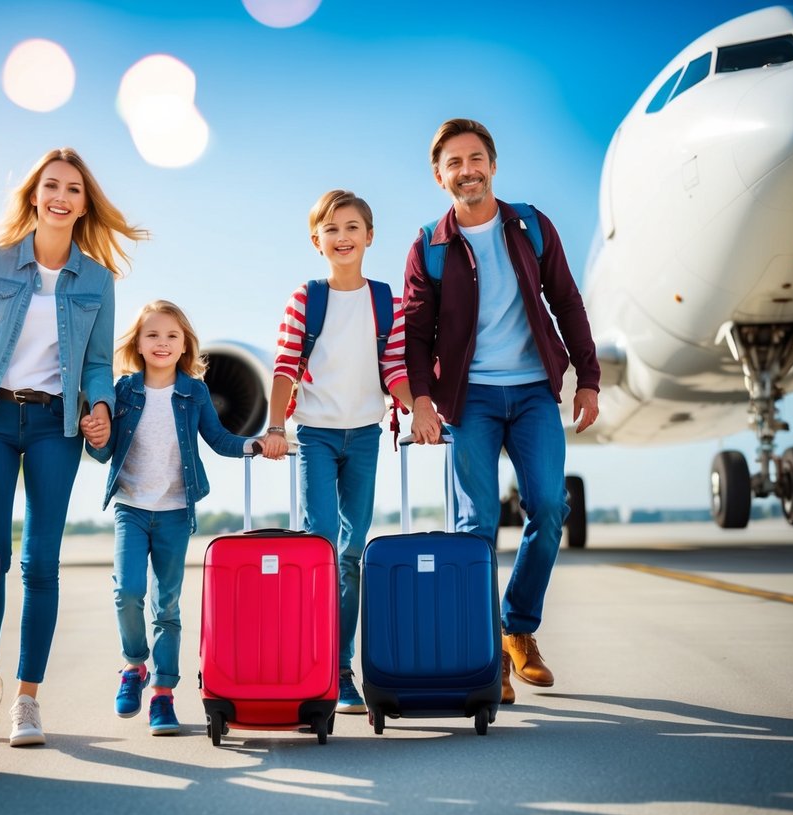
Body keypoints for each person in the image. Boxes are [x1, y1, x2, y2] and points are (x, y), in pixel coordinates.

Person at [0, 147, 146, 746]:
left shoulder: (98, 279)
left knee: (40, 561)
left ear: (83, 204)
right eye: (51, 185)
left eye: (73, 189)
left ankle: (27, 701)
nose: (61, 196)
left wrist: (99, 408)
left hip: (55, 426)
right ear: (34, 195)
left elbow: (98, 363)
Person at [402, 118, 600, 706]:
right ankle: (488, 656)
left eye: (476, 158)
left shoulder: (531, 227)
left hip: (535, 390)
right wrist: (419, 400)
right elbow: (413, 333)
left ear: (493, 164)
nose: (467, 170)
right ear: (440, 177)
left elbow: (566, 301)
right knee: (475, 527)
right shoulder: (429, 246)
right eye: (454, 163)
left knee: (548, 506)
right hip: (471, 399)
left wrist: (587, 378)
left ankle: (518, 628)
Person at [81, 300, 266, 735]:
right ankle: (133, 666)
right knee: (127, 592)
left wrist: (256, 445)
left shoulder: (194, 392)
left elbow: (219, 439)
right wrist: (94, 436)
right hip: (131, 506)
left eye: (172, 336)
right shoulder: (122, 391)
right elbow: (103, 451)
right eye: (153, 335)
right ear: (138, 344)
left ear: (184, 345)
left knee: (167, 605)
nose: (162, 343)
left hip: (175, 511)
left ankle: (163, 695)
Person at [260, 189, 413, 715]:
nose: (342, 237)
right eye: (332, 230)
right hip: (318, 435)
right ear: (316, 240)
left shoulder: (386, 301)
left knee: (352, 553)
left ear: (369, 236)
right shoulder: (307, 298)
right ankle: (316, 661)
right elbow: (284, 365)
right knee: (322, 543)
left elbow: (395, 369)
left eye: (352, 228)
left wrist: (421, 409)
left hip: (366, 435)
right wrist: (275, 426)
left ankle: (341, 669)